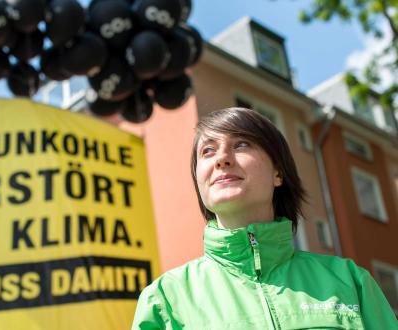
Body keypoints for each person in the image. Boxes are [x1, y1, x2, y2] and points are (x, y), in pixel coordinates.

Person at [131, 107, 397, 329]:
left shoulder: (350, 281)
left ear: (277, 173)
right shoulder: (165, 300)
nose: (221, 158)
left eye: (241, 144)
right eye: (208, 151)